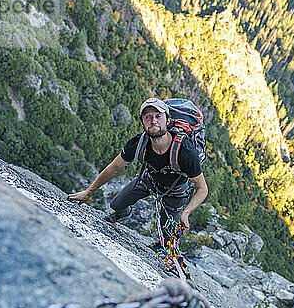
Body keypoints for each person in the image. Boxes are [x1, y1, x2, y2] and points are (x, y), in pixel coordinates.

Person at [67, 97, 208, 235]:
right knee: (116, 205)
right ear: (142, 123)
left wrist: (186, 213)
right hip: (148, 181)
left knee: (168, 238)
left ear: (168, 120)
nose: (153, 121)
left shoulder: (186, 152)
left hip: (175, 193)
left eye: (158, 116)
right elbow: (114, 167)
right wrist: (88, 193)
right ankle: (123, 213)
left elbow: (202, 188)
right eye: (148, 117)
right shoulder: (138, 144)